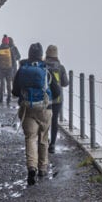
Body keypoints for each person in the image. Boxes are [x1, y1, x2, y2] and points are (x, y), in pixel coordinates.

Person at [12, 43, 62, 185]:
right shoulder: (46, 70)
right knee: (43, 138)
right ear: (41, 55)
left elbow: (14, 91)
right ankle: (42, 168)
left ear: (29, 54)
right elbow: (57, 92)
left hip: (27, 109)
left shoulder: (22, 69)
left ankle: (31, 168)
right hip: (45, 110)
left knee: (30, 138)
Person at [43, 45, 69, 153]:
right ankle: (52, 144)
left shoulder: (42, 65)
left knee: (45, 120)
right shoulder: (60, 67)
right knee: (54, 121)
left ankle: (45, 141)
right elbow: (65, 83)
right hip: (58, 99)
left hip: (45, 98)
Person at [0, 35, 20, 105]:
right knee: (9, 84)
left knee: (2, 83)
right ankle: (9, 98)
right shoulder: (10, 50)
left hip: (1, 69)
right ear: (8, 43)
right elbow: (14, 61)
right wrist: (13, 69)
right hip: (9, 69)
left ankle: (1, 98)